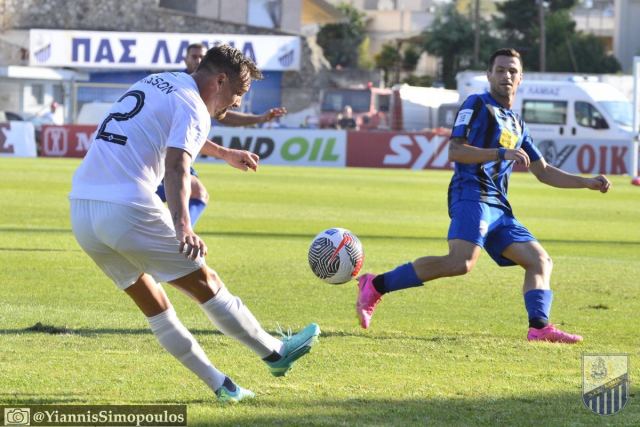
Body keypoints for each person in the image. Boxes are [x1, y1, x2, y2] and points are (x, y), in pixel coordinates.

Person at [69, 45, 320, 404]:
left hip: (82, 208)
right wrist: (182, 225)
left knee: (154, 305)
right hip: (126, 206)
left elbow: (170, 132)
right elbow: (176, 166)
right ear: (219, 80)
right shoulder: (194, 106)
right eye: (236, 94)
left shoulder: (160, 81)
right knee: (207, 283)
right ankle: (275, 352)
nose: (234, 104)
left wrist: (223, 153)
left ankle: (223, 386)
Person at [355, 48, 611, 343]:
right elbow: (455, 150)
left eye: (512, 71)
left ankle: (539, 328)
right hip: (471, 195)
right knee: (461, 263)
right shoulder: (476, 104)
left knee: (540, 260)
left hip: (499, 209)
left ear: (521, 78)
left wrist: (587, 182)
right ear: (489, 75)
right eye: (500, 70)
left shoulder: (518, 124)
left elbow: (544, 171)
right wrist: (501, 153)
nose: (506, 75)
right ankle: (376, 284)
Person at [155, 43, 287, 227]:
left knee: (195, 192)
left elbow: (219, 118)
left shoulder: (169, 82)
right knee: (188, 192)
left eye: (201, 56)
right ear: (185, 59)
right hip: (139, 171)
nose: (198, 60)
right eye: (194, 56)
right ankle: (177, 234)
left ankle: (174, 234)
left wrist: (226, 152)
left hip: (128, 169)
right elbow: (176, 164)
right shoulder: (188, 97)